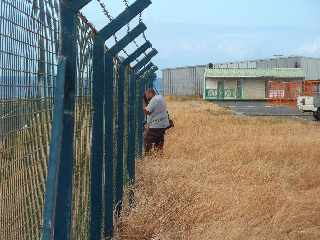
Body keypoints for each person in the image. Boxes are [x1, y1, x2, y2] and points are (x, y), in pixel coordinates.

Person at [143, 89, 170, 153]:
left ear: (150, 93)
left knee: (147, 139)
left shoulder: (154, 100)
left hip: (155, 125)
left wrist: (143, 104)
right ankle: (158, 155)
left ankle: (148, 155)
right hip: (162, 124)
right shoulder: (160, 97)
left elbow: (147, 112)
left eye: (146, 95)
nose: (146, 97)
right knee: (159, 140)